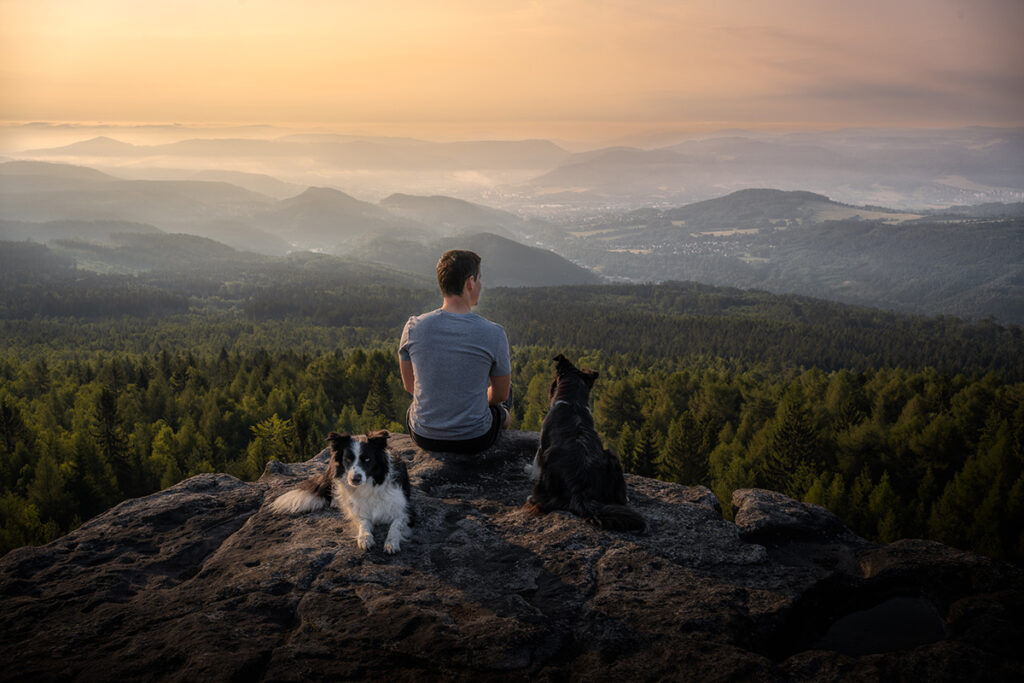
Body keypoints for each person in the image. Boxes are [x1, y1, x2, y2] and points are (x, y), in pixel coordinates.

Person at [399, 249, 511, 453]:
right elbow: (500, 394)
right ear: (470, 283)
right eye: (479, 279)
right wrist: (475, 402)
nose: (480, 285)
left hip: (424, 436)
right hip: (475, 438)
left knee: (413, 409)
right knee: (504, 409)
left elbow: (410, 386)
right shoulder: (494, 333)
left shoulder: (414, 327)